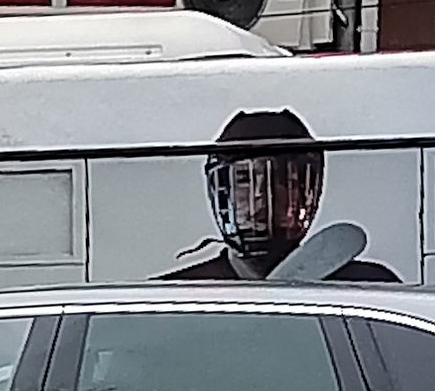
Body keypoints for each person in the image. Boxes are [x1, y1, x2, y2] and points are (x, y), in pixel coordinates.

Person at [159, 110, 402, 283]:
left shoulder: (369, 290)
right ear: (223, 191)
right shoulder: (178, 299)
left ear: (306, 189)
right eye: (244, 180)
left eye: (283, 182)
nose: (261, 197)